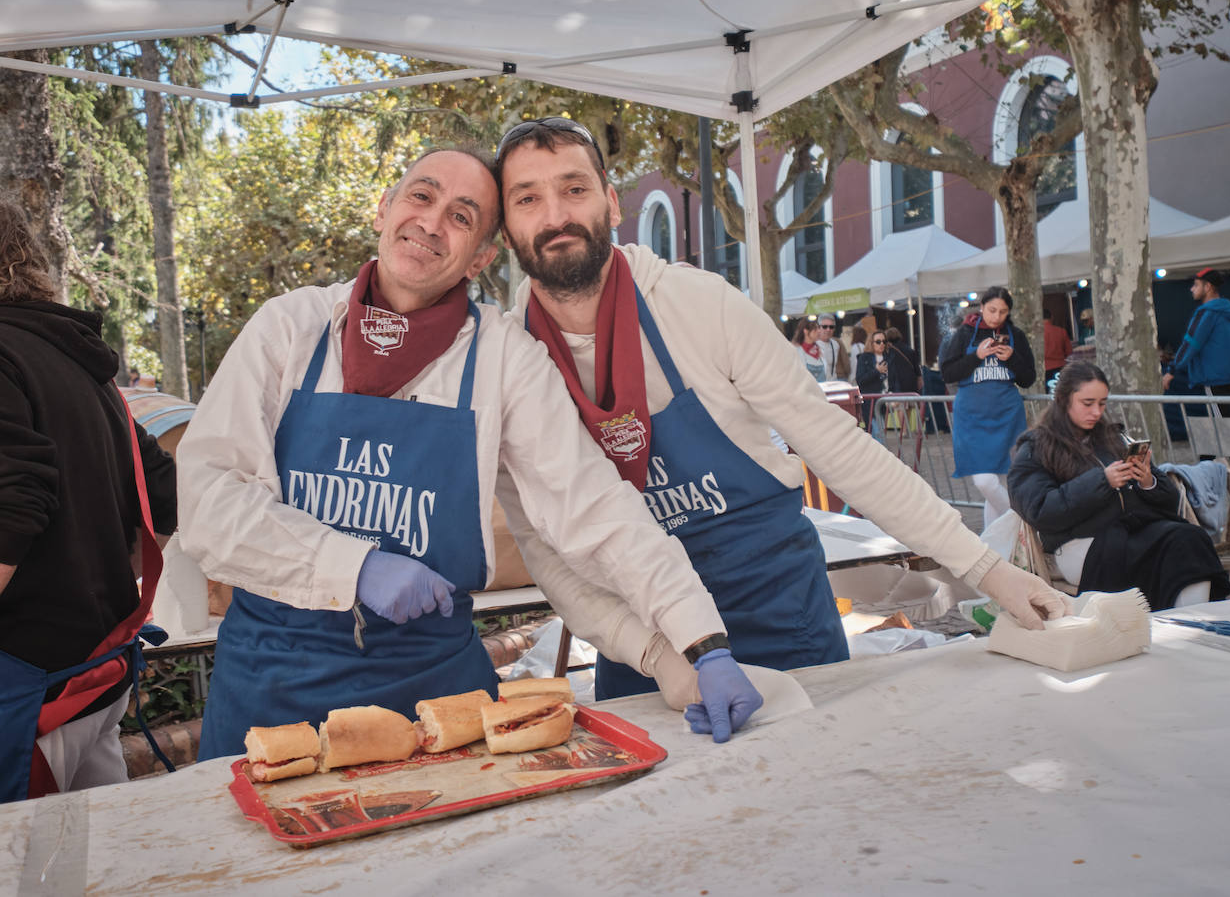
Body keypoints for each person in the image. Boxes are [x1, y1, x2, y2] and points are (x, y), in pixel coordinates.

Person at [178, 145, 762, 754]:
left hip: (435, 688)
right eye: (421, 196)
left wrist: (700, 644)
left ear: (481, 257)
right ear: (384, 210)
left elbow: (594, 509)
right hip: (273, 682)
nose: (432, 223)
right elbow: (208, 499)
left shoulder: (503, 357)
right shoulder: (289, 328)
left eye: (461, 216)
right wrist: (354, 568)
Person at [493, 117, 1069, 705]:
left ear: (612, 203)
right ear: (506, 230)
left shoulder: (700, 305)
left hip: (774, 604)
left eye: (575, 188)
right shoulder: (510, 367)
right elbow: (547, 551)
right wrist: (654, 655)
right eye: (527, 199)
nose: (555, 215)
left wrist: (986, 568)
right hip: (643, 633)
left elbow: (838, 448)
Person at [0, 198, 177, 802]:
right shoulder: (78, 364)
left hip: (27, 695)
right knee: (91, 853)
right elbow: (164, 491)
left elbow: (12, 502)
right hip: (94, 677)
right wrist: (95, 580)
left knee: (26, 857)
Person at [1009, 362, 1230, 611]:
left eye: (1102, 403)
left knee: (1189, 538)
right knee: (1161, 552)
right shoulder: (1036, 446)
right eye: (1087, 403)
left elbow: (1171, 504)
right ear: (1063, 400)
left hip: (1133, 531)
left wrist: (1148, 481)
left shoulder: (1112, 437)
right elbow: (1040, 510)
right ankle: (1173, 619)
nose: (1096, 412)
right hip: (1079, 543)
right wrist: (1102, 481)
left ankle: (1191, 620)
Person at [940, 287, 1035, 528]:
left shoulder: (1016, 335)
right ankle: (1025, 522)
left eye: (1003, 312)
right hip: (972, 417)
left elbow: (1028, 378)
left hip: (1008, 415)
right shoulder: (964, 333)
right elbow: (948, 373)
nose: (996, 316)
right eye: (992, 310)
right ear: (981, 307)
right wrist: (977, 356)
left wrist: (1012, 358)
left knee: (1001, 483)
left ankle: (994, 545)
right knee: (985, 482)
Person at [1161, 268, 1230, 487]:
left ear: (1208, 286)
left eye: (1196, 284)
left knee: (1224, 426)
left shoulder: (1206, 313)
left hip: (1215, 379)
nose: (1191, 289)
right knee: (1212, 424)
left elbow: (1191, 343)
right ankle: (1203, 472)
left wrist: (1172, 369)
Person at [855, 329, 892, 426]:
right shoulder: (864, 358)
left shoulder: (889, 357)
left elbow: (895, 379)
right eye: (878, 342)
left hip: (886, 401)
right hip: (870, 402)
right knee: (876, 430)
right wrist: (876, 371)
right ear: (871, 343)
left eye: (884, 341)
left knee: (882, 429)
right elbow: (860, 379)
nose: (882, 344)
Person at [1042, 307, 1073, 391]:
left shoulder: (1037, 334)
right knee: (1060, 392)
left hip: (1043, 369)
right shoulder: (1061, 331)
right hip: (1060, 367)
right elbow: (1069, 351)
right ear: (1051, 317)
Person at [791, 318, 827, 383]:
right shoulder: (796, 351)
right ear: (805, 331)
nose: (819, 331)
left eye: (818, 328)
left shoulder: (820, 349)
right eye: (815, 329)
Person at [815, 313, 843, 381]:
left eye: (831, 327)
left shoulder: (835, 344)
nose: (828, 329)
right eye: (824, 327)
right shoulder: (813, 344)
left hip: (832, 382)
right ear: (818, 328)